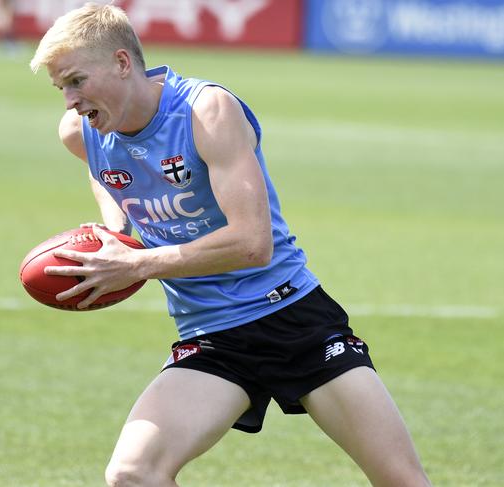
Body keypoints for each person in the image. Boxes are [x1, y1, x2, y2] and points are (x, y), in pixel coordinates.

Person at [29, 4, 433, 486]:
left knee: (402, 481)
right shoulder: (83, 134)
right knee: (133, 474)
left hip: (291, 318)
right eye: (61, 88)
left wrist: (136, 264)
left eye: (77, 81)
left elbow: (251, 245)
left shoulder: (205, 109)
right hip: (210, 337)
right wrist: (114, 234)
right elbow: (109, 178)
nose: (70, 101)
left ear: (121, 62)